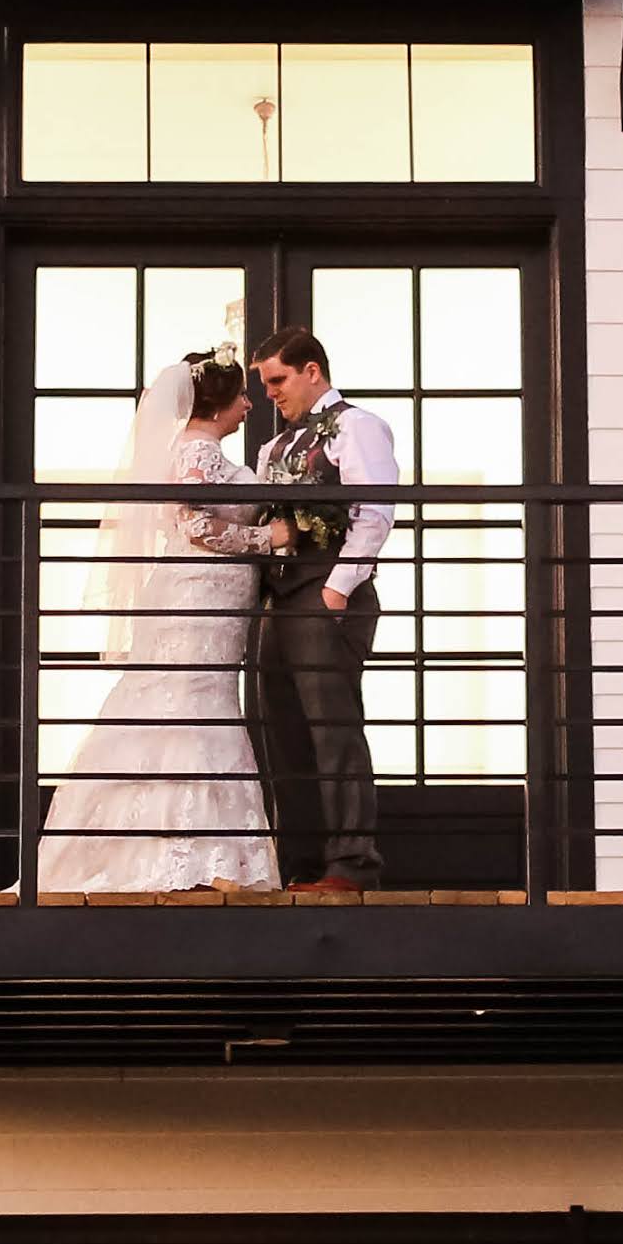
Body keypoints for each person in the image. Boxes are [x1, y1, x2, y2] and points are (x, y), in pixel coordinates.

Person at [31, 354, 288, 895]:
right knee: (192, 704)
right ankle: (188, 854)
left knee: (191, 700)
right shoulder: (197, 450)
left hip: (210, 602)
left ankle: (190, 849)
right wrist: (268, 539)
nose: (248, 405)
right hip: (199, 601)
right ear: (218, 402)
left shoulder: (195, 449)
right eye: (242, 395)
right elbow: (193, 522)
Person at [243, 329, 397, 894]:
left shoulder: (357, 426)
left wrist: (337, 591)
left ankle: (351, 865)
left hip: (328, 594)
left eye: (278, 381)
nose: (270, 395)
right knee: (282, 731)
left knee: (334, 730)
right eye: (263, 385)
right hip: (279, 600)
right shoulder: (274, 446)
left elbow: (375, 511)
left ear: (313, 371)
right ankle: (302, 865)